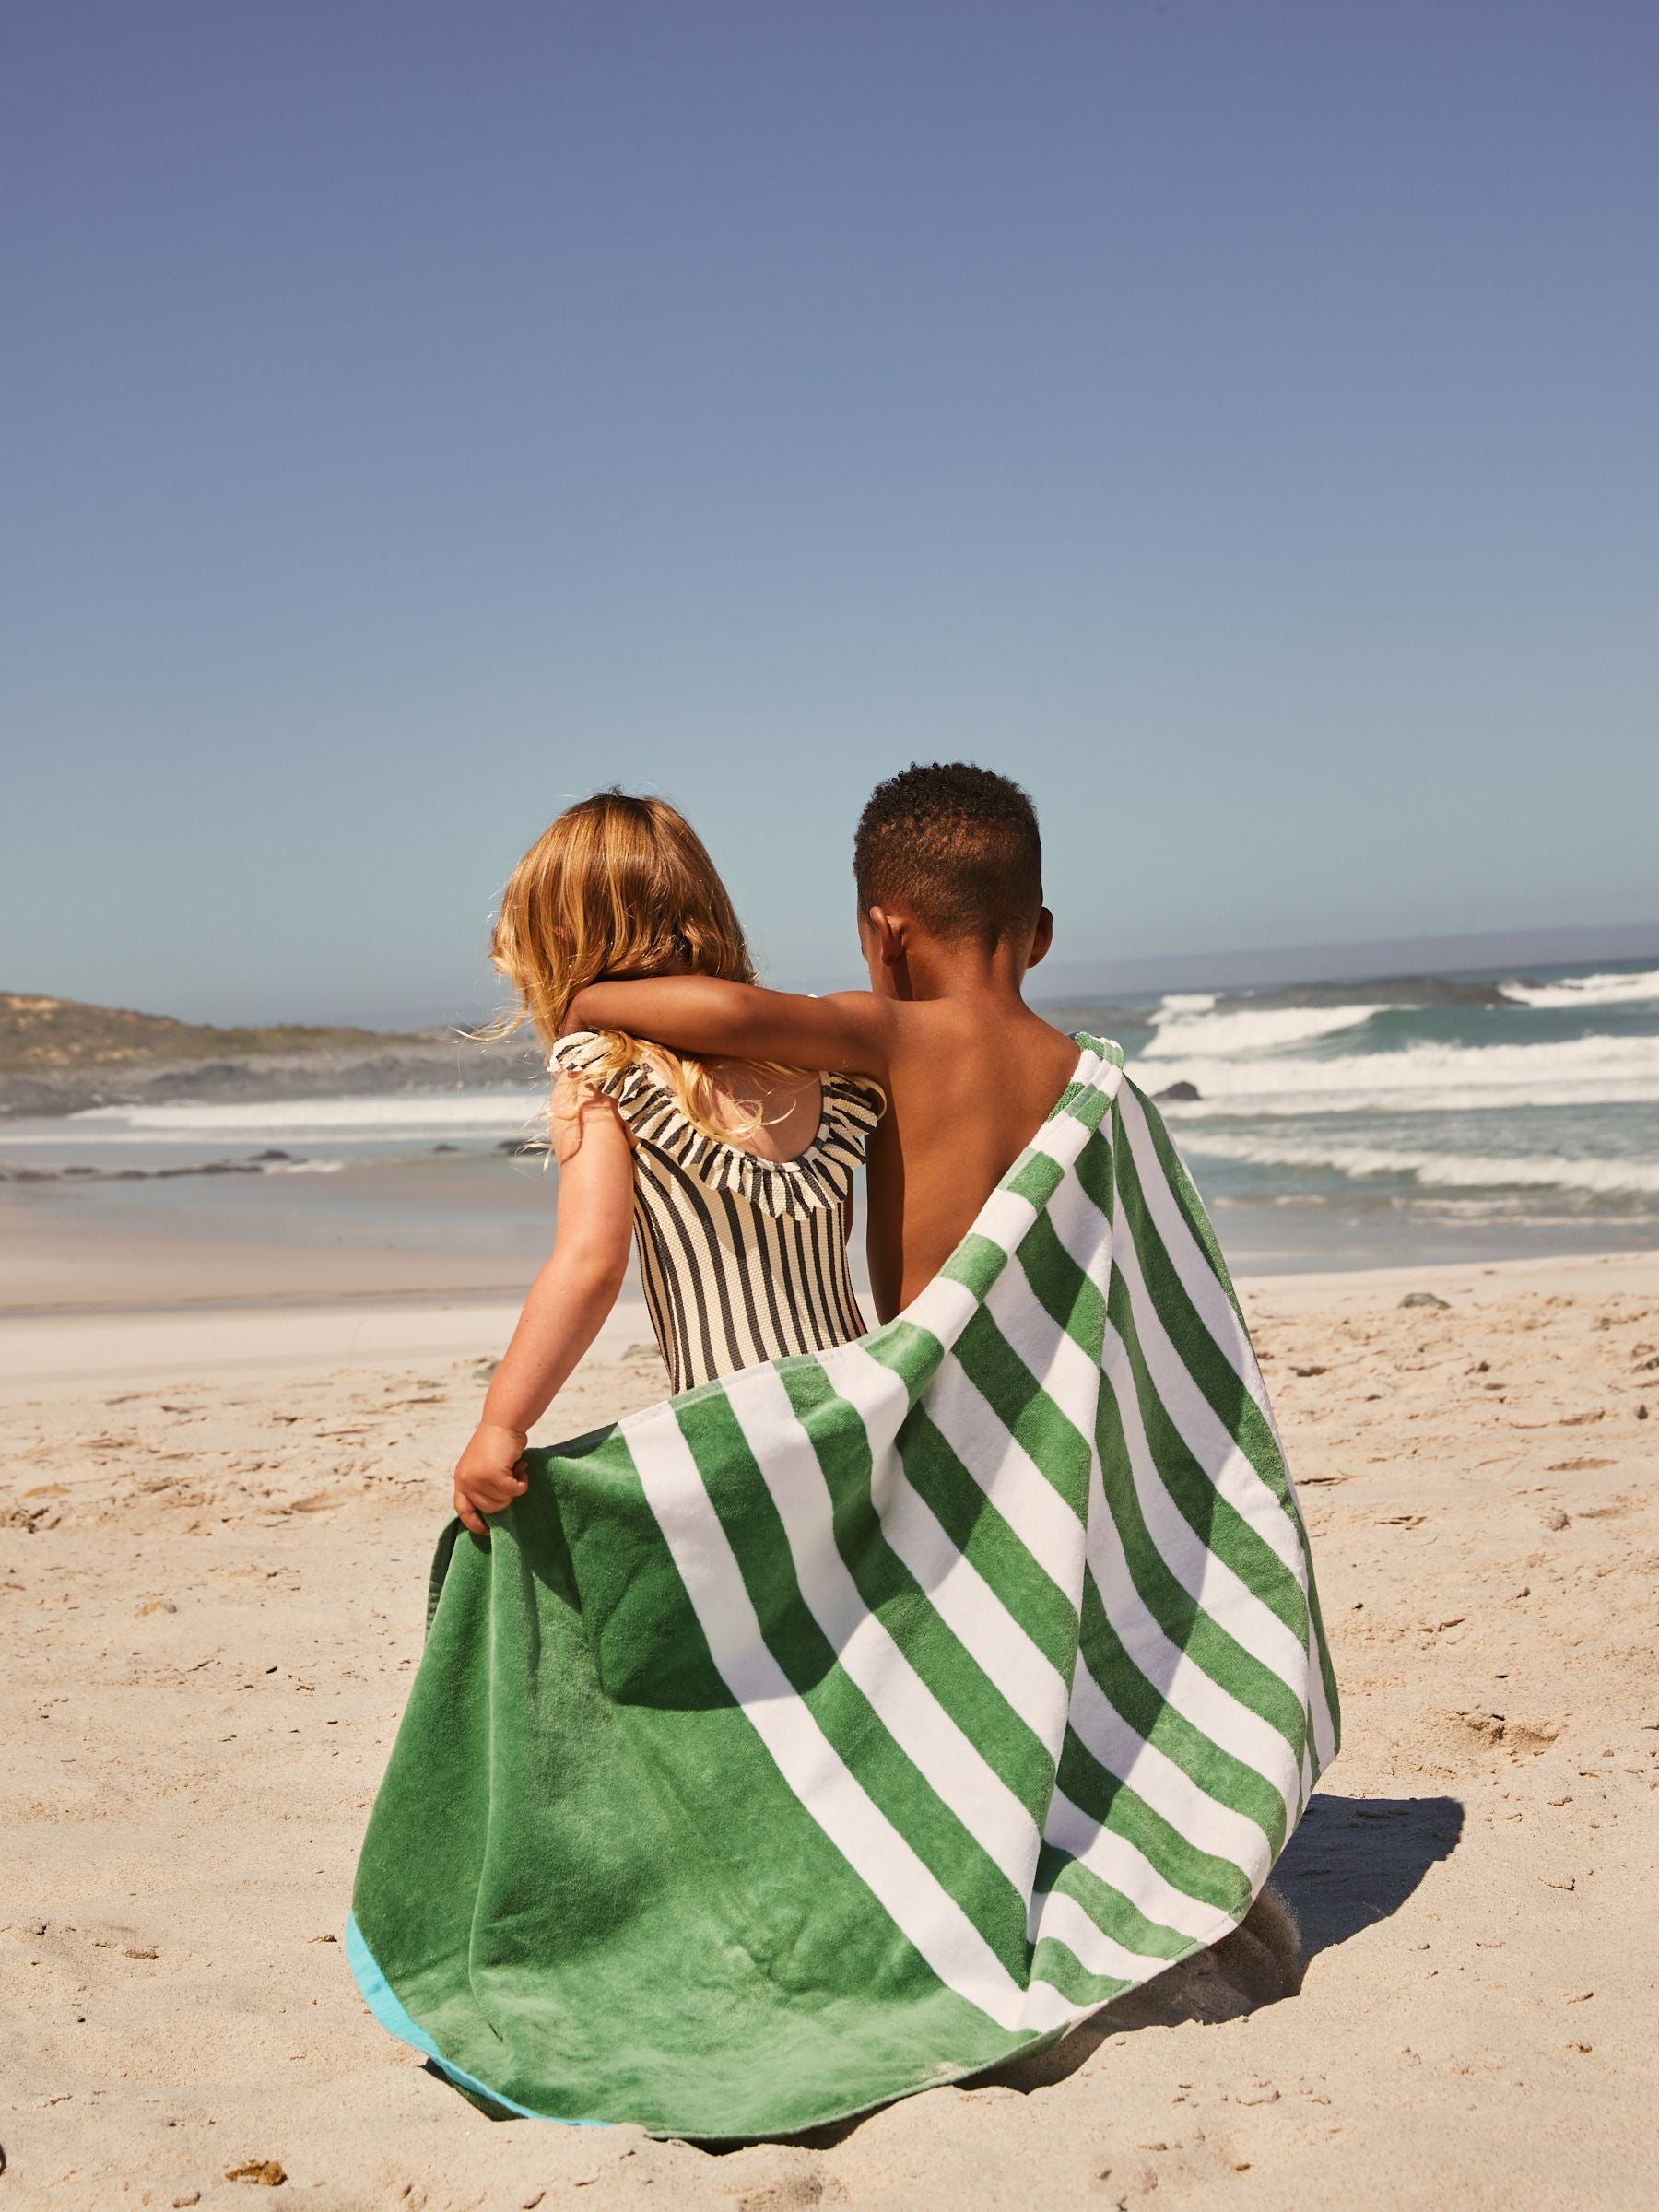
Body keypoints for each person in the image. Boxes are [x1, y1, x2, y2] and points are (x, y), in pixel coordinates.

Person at [450, 788, 884, 1537]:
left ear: (559, 935)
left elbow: (589, 1267)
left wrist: (502, 1423)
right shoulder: (818, 1063)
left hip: (733, 1434)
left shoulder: (600, 1073)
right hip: (863, 1408)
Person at [570, 760, 1082, 1323]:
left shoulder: (894, 1034)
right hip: (1045, 1370)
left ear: (884, 936)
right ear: (1040, 936)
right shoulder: (1084, 1070)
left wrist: (590, 1002)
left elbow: (735, 1014)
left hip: (937, 1377)